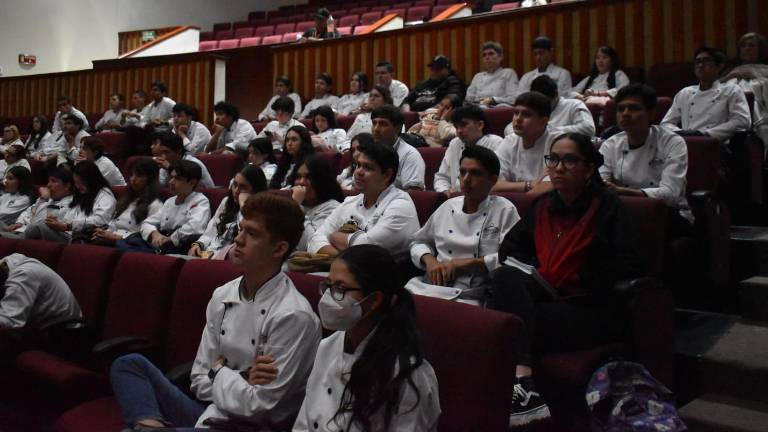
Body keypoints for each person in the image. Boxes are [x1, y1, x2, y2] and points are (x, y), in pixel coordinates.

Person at [110, 193, 321, 429]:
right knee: (129, 364)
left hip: (248, 428)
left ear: (279, 248)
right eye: (241, 229)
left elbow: (260, 407)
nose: (238, 239)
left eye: (252, 234)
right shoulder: (223, 294)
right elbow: (198, 380)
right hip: (210, 414)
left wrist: (218, 371)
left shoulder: (293, 315)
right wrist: (242, 378)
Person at [489, 132, 643, 427]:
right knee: (504, 277)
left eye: (570, 160)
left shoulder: (607, 206)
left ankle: (521, 385)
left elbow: (626, 263)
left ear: (588, 168)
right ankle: (523, 378)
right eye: (554, 160)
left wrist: (572, 277)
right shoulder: (541, 206)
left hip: (588, 307)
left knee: (510, 323)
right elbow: (511, 248)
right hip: (545, 298)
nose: (558, 168)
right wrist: (538, 273)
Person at [291, 244, 440, 431]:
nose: (328, 297)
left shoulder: (408, 373)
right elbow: (303, 425)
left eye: (340, 288)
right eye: (328, 285)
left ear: (374, 300)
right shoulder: (327, 346)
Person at [408, 146, 520, 305]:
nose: (466, 179)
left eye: (475, 173)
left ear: (493, 180)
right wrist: (429, 260)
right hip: (432, 286)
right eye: (462, 172)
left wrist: (470, 263)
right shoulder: (448, 206)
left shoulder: (504, 210)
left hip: (472, 295)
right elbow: (418, 241)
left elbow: (514, 258)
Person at [600, 84, 693, 228]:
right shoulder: (610, 144)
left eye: (634, 108)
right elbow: (600, 185)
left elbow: (670, 195)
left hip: (668, 213)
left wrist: (621, 191)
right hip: (624, 210)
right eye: (621, 109)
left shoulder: (672, 142)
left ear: (651, 113)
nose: (625, 113)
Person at [308, 141, 420, 262]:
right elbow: (315, 239)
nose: (358, 172)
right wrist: (339, 258)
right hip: (342, 268)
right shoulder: (350, 202)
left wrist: (333, 236)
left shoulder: (401, 205)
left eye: (368, 167)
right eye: (358, 165)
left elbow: (367, 248)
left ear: (387, 175)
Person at [0, 253, 82, 361]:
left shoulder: (23, 275)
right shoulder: (8, 263)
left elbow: (9, 321)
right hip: (40, 328)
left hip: (63, 336)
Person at [118, 160, 211, 254]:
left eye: (177, 178)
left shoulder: (200, 201)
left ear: (192, 182)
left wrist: (169, 238)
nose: (171, 182)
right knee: (125, 244)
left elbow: (195, 228)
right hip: (160, 241)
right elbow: (147, 222)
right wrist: (154, 234)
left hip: (179, 245)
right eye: (171, 177)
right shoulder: (170, 201)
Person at [660, 47, 751, 143]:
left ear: (719, 67)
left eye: (706, 61)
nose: (700, 65)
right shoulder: (685, 93)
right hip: (687, 143)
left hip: (716, 144)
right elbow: (665, 124)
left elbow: (742, 121)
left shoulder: (731, 90)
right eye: (697, 62)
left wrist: (707, 134)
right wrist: (681, 134)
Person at [26, 161, 117, 243]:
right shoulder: (82, 194)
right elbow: (69, 216)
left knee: (37, 227)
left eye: (81, 183)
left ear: (92, 180)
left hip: (83, 237)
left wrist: (68, 226)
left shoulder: (105, 195)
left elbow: (100, 220)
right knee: (39, 226)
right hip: (69, 232)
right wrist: (57, 222)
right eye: (76, 183)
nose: (78, 186)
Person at [188, 165, 267, 259]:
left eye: (243, 187)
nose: (236, 191)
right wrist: (198, 245)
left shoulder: (261, 212)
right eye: (235, 185)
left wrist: (244, 206)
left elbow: (245, 240)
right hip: (206, 255)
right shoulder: (226, 202)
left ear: (255, 191)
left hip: (229, 260)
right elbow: (210, 232)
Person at [494, 92, 557, 194]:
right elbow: (492, 184)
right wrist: (529, 185)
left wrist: (519, 195)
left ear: (543, 121)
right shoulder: (509, 142)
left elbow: (549, 185)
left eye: (526, 114)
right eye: (516, 113)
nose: (518, 119)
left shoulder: (557, 142)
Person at [434, 105, 503, 195]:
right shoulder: (455, 143)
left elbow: (497, 181)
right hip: (454, 199)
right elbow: (441, 177)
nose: (459, 131)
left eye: (463, 125)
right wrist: (445, 190)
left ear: (480, 125)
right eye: (456, 127)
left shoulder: (497, 143)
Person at [91, 159, 163, 245]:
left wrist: (117, 239)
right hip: (111, 241)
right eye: (132, 174)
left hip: (130, 246)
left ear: (150, 179)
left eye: (139, 175)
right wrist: (102, 233)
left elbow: (148, 238)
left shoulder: (155, 205)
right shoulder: (126, 199)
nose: (133, 179)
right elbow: (113, 225)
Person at [505, 75, 596, 137]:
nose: (542, 106)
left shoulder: (573, 105)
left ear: (556, 95)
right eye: (538, 103)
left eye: (546, 102)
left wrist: (548, 131)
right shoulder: (533, 108)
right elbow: (509, 129)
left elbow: (588, 129)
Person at [722, 33, 768, 153]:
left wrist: (757, 78)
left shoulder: (765, 70)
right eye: (743, 46)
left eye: (751, 45)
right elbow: (713, 89)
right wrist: (730, 77)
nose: (747, 48)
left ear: (761, 49)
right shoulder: (731, 71)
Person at [1, 167, 73, 239]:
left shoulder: (70, 204)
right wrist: (19, 222)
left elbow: (41, 222)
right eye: (49, 181)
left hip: (32, 235)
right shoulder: (49, 198)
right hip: (21, 230)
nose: (48, 185)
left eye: (53, 181)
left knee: (36, 226)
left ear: (67, 186)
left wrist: (44, 199)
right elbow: (28, 212)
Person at [291, 155, 344, 251]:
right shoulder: (292, 198)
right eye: (298, 177)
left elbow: (309, 245)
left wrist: (295, 206)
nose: (301, 182)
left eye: (309, 177)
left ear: (321, 180)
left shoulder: (333, 208)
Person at [371, 105, 426, 191]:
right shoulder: (367, 152)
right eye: (374, 123)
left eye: (383, 124)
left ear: (397, 128)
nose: (376, 129)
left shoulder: (410, 155)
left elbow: (414, 193)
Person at [466, 41, 519, 107]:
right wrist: (483, 102)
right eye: (484, 55)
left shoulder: (508, 73)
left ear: (500, 57)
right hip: (478, 108)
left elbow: (513, 99)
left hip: (498, 108)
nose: (487, 57)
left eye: (491, 54)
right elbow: (469, 99)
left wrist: (493, 100)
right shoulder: (478, 76)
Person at [342, 85, 393, 152]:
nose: (372, 98)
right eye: (370, 96)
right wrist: (347, 150)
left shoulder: (392, 117)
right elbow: (347, 140)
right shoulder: (361, 117)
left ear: (386, 100)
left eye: (376, 96)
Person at [269, 126, 315, 190]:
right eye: (287, 140)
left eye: (294, 139)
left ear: (304, 142)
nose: (289, 143)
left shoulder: (310, 163)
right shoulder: (284, 162)